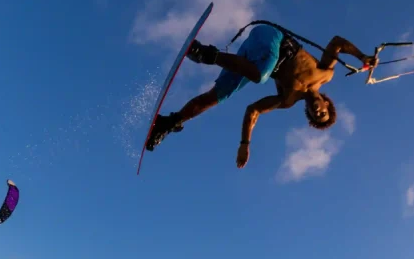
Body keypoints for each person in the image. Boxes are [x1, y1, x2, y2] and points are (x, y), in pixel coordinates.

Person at [145, 24, 377, 168]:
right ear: (327, 103)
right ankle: (204, 53)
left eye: (316, 117)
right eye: (323, 113)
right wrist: (362, 56)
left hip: (255, 58)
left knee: (218, 96)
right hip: (271, 38)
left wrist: (245, 144)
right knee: (262, 75)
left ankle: (169, 122)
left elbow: (253, 110)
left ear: (308, 113)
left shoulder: (287, 100)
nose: (318, 112)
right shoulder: (326, 74)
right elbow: (337, 42)